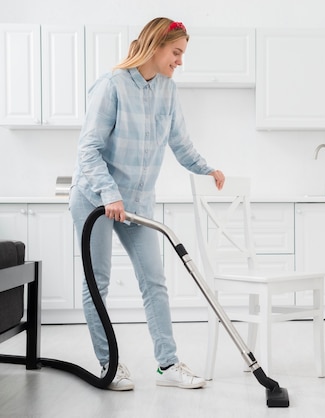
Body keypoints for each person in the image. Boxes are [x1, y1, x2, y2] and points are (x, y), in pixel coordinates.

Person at [69, 17, 225, 391]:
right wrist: (110, 194)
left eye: (182, 54)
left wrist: (207, 168)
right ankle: (110, 365)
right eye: (177, 52)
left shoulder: (168, 90)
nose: (180, 61)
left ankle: (167, 365)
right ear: (156, 46)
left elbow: (180, 142)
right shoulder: (111, 86)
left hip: (136, 203)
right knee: (98, 283)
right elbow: (87, 151)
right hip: (95, 199)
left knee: (154, 280)